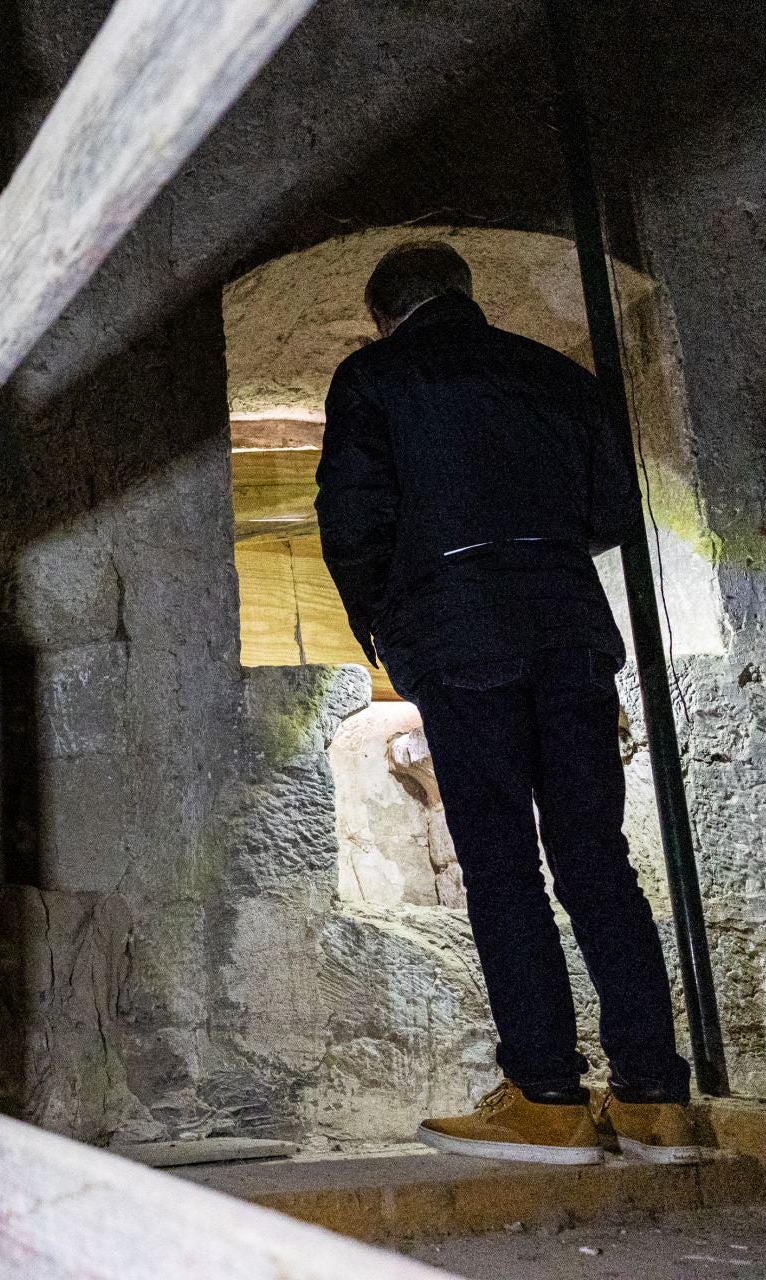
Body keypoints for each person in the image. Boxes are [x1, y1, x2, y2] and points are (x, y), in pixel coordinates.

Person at [316, 241, 708, 1165]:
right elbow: (611, 508)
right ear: (464, 295)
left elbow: (353, 520)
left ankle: (547, 1097)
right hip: (571, 631)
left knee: (500, 866)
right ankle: (655, 1098)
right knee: (596, 859)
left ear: (385, 314)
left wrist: (389, 628)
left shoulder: (375, 376)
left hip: (461, 639)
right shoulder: (555, 376)